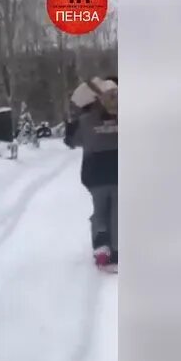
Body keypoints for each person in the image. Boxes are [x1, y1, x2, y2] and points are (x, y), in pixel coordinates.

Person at [64, 78, 119, 271]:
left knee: (100, 210)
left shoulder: (86, 120)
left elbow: (71, 141)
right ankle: (118, 251)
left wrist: (73, 122)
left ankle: (102, 247)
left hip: (95, 172)